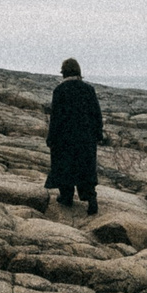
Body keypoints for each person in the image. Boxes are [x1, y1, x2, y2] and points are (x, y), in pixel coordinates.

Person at [45, 57, 103, 213]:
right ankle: (91, 199)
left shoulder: (59, 90)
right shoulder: (88, 89)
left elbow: (56, 118)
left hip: (64, 138)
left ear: (63, 72)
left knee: (65, 167)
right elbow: (96, 114)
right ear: (78, 71)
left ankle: (66, 197)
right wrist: (98, 134)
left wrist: (51, 138)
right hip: (86, 137)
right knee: (85, 169)